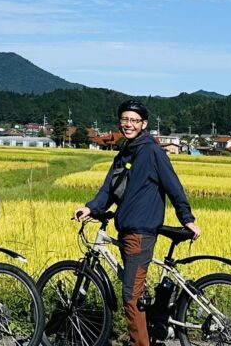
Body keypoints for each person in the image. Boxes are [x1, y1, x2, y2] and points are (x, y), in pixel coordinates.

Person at [74, 100, 199, 346]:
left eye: (134, 120)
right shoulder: (124, 154)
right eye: (125, 119)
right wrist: (90, 207)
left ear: (144, 124)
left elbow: (173, 186)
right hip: (127, 230)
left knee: (130, 296)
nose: (128, 124)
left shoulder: (152, 152)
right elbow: (108, 190)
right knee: (137, 292)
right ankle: (151, 328)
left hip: (140, 232)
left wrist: (187, 218)